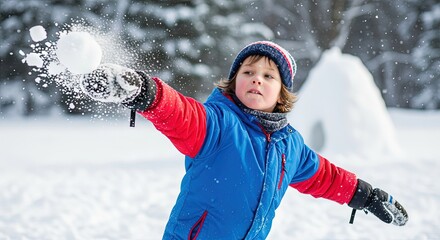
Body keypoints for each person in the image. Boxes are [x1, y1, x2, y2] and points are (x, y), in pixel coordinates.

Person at [80, 41, 408, 239]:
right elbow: (181, 111)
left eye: (268, 76)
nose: (256, 80)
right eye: (248, 72)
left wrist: (365, 195)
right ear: (234, 81)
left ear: (282, 92)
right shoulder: (218, 125)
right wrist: (145, 90)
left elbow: (324, 176)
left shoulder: (289, 145)